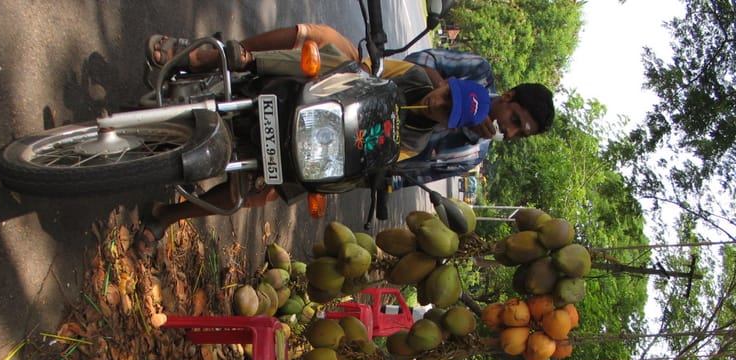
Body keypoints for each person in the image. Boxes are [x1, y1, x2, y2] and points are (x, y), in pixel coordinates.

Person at [135, 24, 491, 258]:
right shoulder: (417, 76)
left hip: (327, 138)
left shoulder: (417, 139)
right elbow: (364, 72)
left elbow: (377, 156)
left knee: (256, 195)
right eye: (447, 96)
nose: (438, 104)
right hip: (340, 93)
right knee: (329, 58)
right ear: (447, 85)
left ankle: (167, 216)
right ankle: (231, 59)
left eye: (447, 112)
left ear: (451, 123)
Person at [396, 48, 555, 185]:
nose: (510, 132)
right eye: (515, 120)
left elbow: (410, 176)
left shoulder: (472, 156)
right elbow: (419, 60)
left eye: (520, 134)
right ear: (507, 96)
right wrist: (451, 95)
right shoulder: (478, 71)